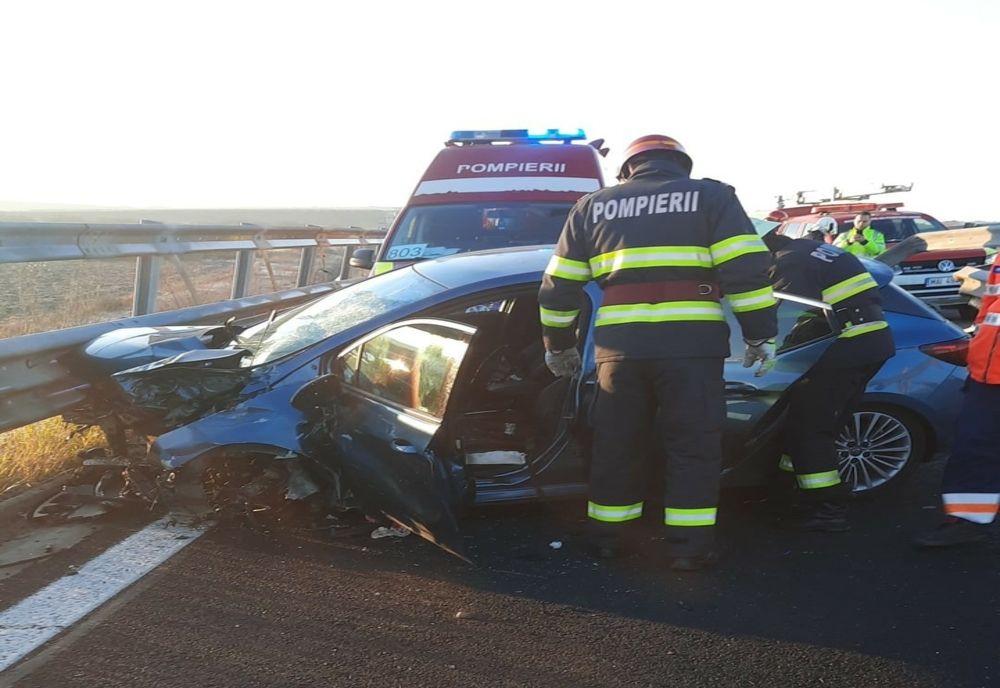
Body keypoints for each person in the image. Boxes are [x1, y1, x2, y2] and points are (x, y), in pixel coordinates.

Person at [537, 134, 778, 571]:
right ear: (679, 164)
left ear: (628, 167)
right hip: (692, 346)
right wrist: (760, 334)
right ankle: (689, 548)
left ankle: (610, 538)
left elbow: (559, 285)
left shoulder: (593, 206)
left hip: (620, 348)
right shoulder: (711, 196)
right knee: (693, 445)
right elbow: (745, 270)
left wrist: (559, 345)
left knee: (616, 442)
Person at [763, 230, 895, 530]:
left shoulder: (790, 265)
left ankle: (828, 508)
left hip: (849, 343)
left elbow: (785, 313)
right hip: (864, 339)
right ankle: (795, 490)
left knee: (811, 425)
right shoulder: (808, 249)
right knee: (811, 422)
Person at [913, 258, 1000, 547]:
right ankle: (970, 521)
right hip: (985, 377)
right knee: (973, 448)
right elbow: (990, 305)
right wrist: (977, 347)